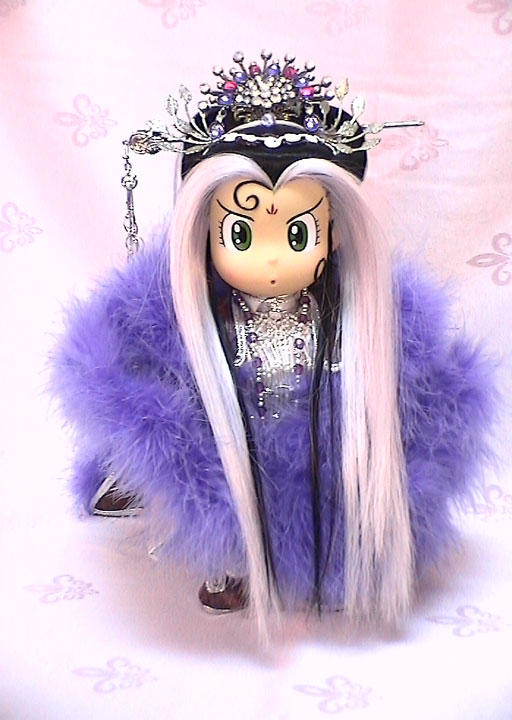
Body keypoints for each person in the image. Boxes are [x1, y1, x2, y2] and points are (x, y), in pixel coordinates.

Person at [51, 51, 495, 640]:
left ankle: (339, 551)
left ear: (334, 234)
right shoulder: (193, 321)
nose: (271, 258)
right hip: (231, 458)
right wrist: (142, 447)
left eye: (297, 233)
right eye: (241, 232)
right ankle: (231, 552)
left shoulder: (369, 322)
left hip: (329, 465)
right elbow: (112, 371)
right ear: (204, 234)